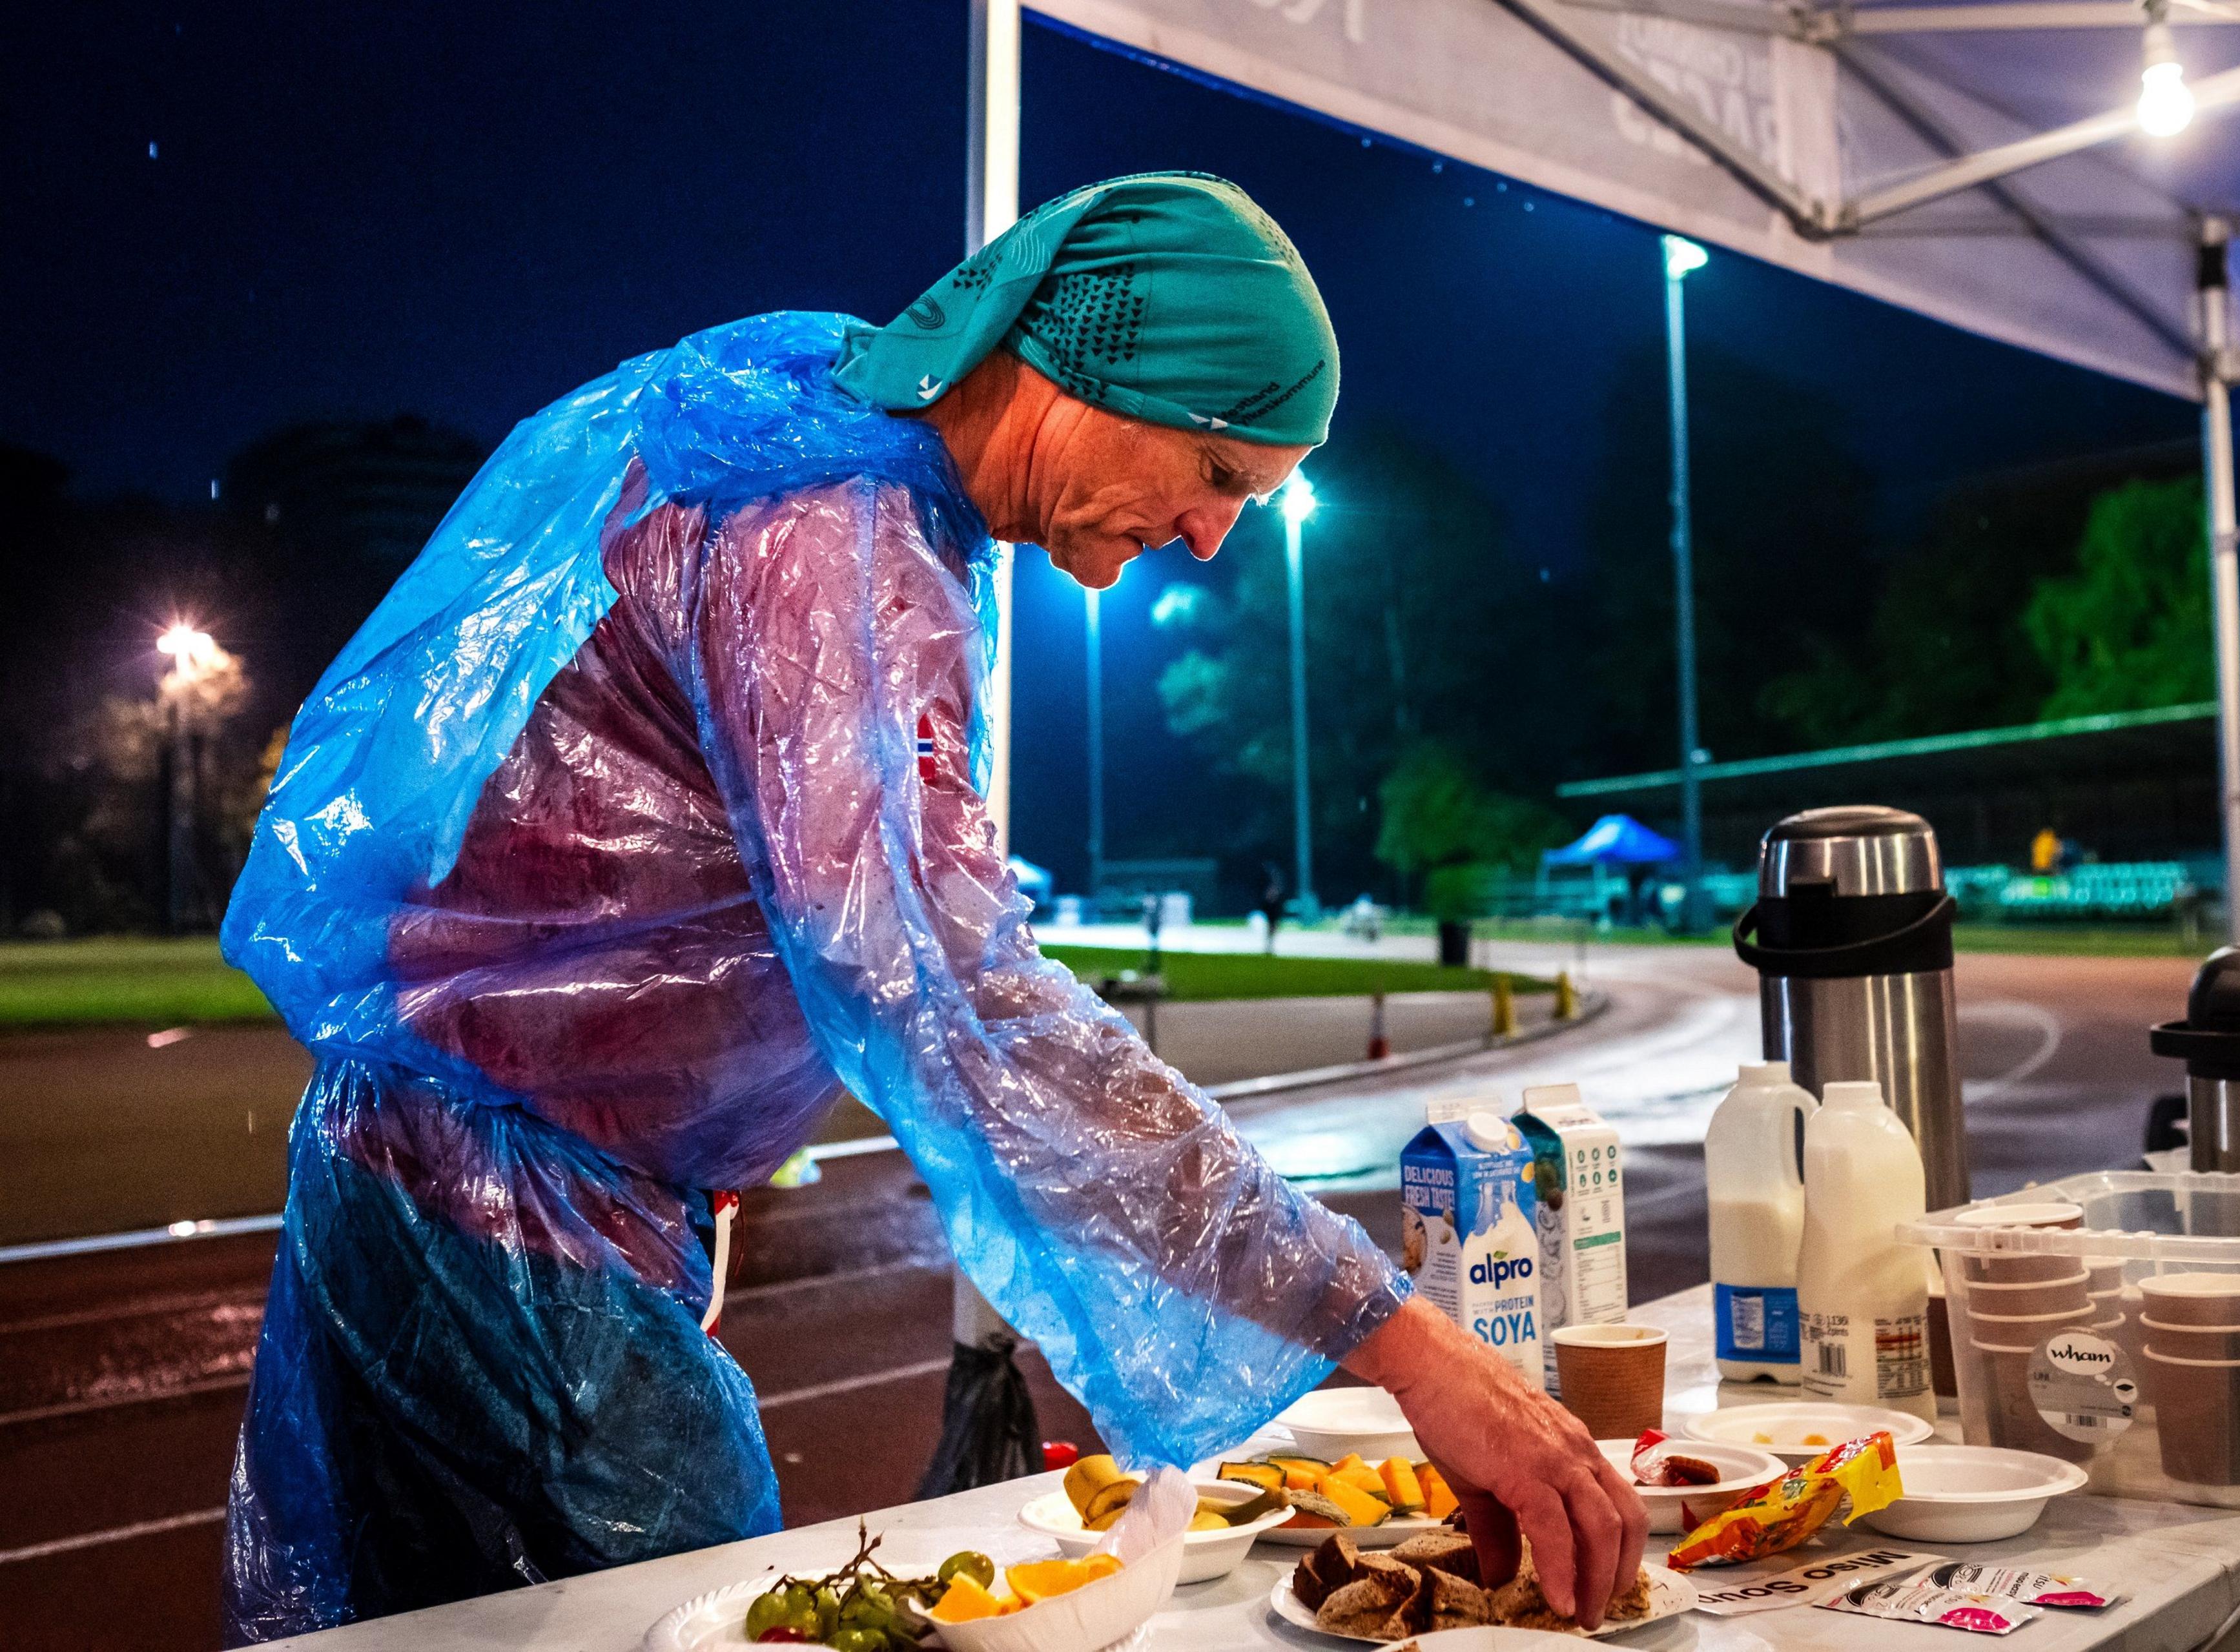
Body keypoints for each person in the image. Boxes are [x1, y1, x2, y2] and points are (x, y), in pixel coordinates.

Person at [219, 173, 1644, 1642]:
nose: (1215, 539)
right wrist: (1405, 1345)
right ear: (1095, 372)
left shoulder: (842, 457)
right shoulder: (836, 533)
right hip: (503, 1225)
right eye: (1217, 472)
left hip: (485, 1192)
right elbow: (959, 1000)